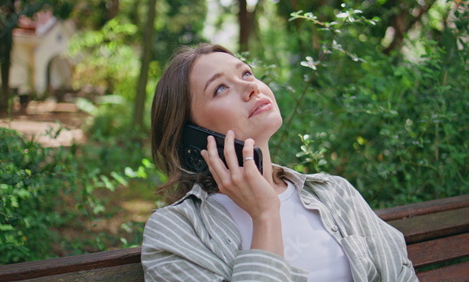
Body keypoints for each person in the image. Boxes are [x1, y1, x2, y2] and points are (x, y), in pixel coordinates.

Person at [142, 43, 418, 282]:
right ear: (191, 135)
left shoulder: (334, 193)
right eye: (221, 88)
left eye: (246, 73)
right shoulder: (174, 230)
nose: (250, 86)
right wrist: (265, 215)